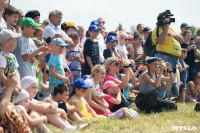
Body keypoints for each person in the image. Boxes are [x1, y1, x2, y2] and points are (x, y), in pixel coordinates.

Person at [0, 29, 21, 100]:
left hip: (12, 89)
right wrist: (11, 88)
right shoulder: (2, 57)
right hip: (3, 92)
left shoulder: (13, 56)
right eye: (14, 41)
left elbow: (16, 72)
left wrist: (18, 85)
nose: (16, 44)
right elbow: (1, 75)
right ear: (5, 42)